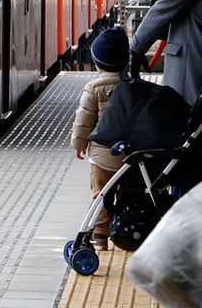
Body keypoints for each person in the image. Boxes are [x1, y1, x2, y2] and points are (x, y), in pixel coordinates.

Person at [71, 26, 129, 251]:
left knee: (100, 196)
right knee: (126, 193)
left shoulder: (93, 88)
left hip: (102, 158)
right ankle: (125, 230)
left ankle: (100, 237)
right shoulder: (132, 86)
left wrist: (78, 145)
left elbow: (83, 121)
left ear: (97, 63)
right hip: (129, 157)